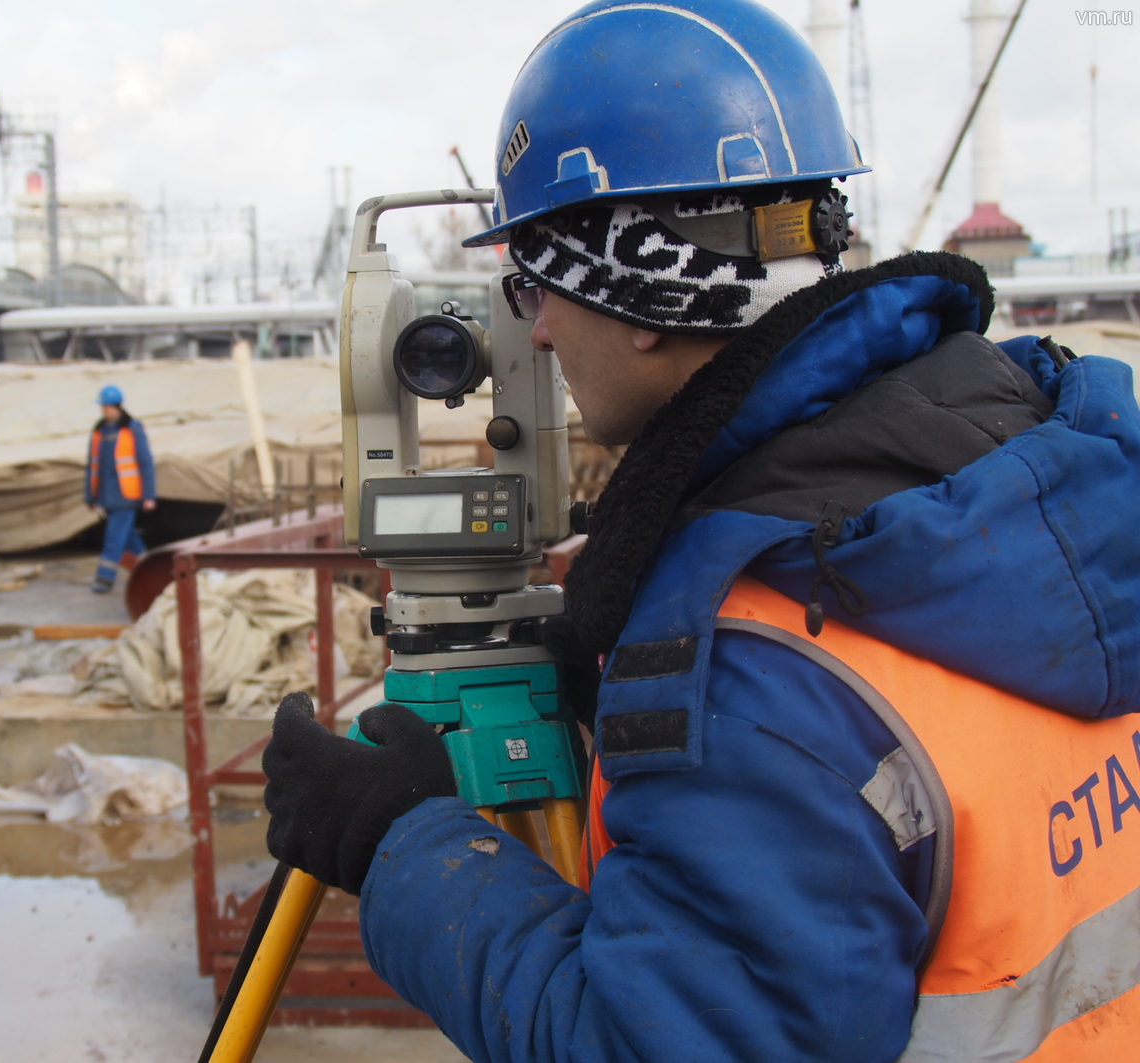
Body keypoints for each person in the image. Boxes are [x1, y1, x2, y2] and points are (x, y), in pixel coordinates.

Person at [261, 1, 1140, 1059]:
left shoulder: (752, 665)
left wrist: (397, 840)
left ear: (639, 288)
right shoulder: (1040, 471)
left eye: (538, 282)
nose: (532, 328)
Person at [85, 385, 156, 593]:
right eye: (103, 406)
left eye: (107, 406)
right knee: (128, 539)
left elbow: (146, 463)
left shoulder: (132, 428)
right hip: (107, 496)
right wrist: (90, 496)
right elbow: (93, 465)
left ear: (116, 406)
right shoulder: (100, 431)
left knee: (114, 539)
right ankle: (152, 570)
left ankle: (104, 579)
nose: (105, 410)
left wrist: (149, 495)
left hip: (127, 496)